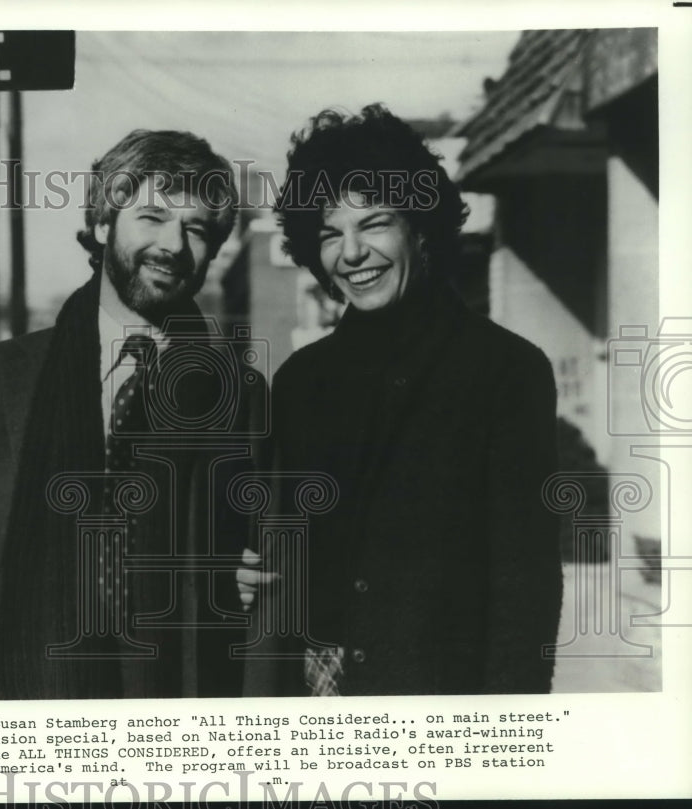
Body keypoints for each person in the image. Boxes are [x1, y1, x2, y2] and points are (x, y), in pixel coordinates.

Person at [0, 129, 264, 700]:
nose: (173, 245)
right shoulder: (2, 380)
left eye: (195, 229)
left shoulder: (240, 396)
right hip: (28, 709)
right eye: (151, 216)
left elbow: (264, 554)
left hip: (176, 720)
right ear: (104, 224)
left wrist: (256, 577)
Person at [239, 105, 563, 696]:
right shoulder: (299, 380)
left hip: (446, 696)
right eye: (331, 233)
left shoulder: (507, 372)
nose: (352, 253)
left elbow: (528, 586)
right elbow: (274, 542)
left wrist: (511, 738)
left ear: (421, 225)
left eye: (375, 223)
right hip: (310, 694)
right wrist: (245, 573)